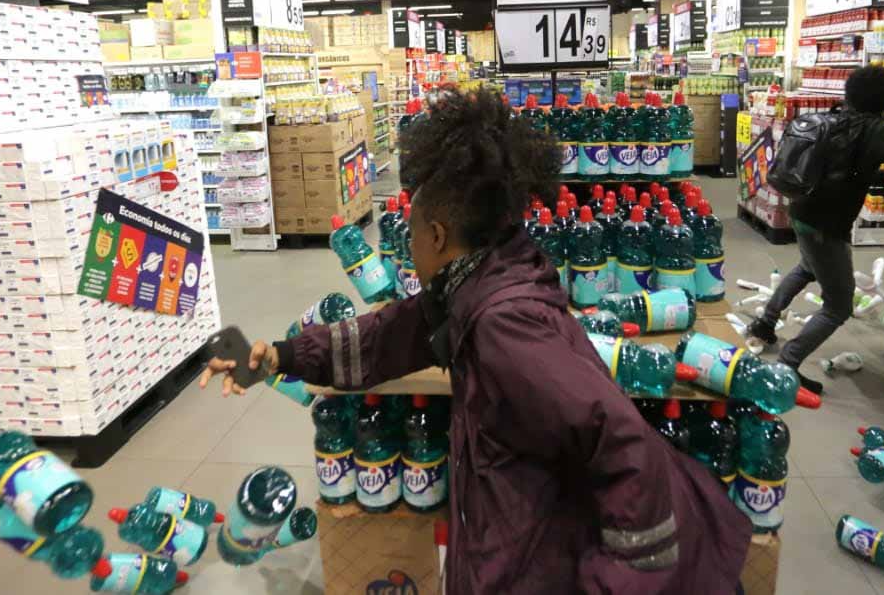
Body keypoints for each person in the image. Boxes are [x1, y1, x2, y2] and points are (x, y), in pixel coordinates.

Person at [200, 86, 751, 594]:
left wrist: (616, 583)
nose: (405, 242)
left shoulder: (504, 329)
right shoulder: (481, 279)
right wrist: (283, 356)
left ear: (437, 235)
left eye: (412, 228)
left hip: (531, 562)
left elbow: (629, 452)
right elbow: (389, 334)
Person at [747, 65, 884, 394]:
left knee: (807, 267)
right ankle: (788, 364)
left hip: (802, 211)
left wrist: (875, 174)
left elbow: (837, 166)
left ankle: (764, 324)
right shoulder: (876, 130)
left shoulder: (834, 119)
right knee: (838, 306)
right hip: (826, 225)